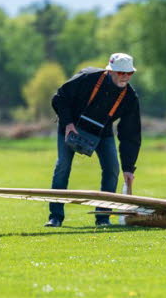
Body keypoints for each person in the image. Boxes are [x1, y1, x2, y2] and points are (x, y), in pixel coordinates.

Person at [44, 53, 141, 227]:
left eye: (129, 73)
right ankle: (55, 217)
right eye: (121, 73)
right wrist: (67, 124)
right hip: (71, 127)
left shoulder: (130, 98)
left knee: (112, 169)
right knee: (63, 167)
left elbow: (130, 133)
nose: (125, 77)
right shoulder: (88, 78)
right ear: (110, 71)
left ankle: (103, 218)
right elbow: (60, 98)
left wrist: (129, 167)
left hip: (102, 132)